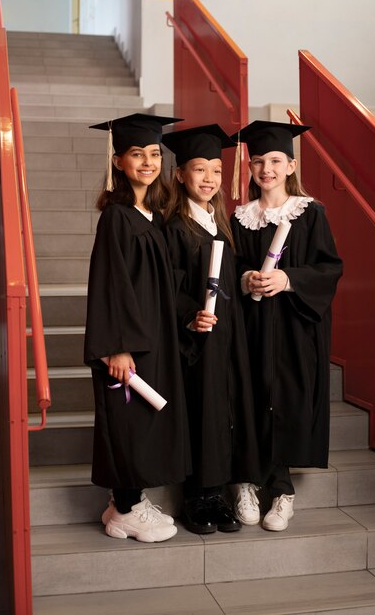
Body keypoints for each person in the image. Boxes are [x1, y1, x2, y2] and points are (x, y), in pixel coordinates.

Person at [229, 121, 343, 531]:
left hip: (294, 326)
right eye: (258, 161)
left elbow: (329, 267)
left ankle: (281, 491)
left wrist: (288, 279)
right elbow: (230, 268)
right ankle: (245, 481)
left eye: (276, 160)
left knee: (286, 397)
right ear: (250, 168)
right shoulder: (240, 218)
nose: (266, 169)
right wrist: (246, 280)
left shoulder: (310, 213)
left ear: (291, 165)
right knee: (250, 395)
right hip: (252, 325)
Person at [84, 113, 191, 543]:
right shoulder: (116, 216)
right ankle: (126, 509)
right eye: (136, 154)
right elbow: (110, 283)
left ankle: (123, 500)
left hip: (154, 336)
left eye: (153, 154)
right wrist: (118, 346)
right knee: (127, 421)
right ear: (118, 161)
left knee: (143, 422)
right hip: (128, 342)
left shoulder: (153, 214)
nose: (147, 162)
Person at [162, 124, 261, 535]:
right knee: (200, 409)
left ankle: (219, 492)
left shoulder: (220, 223)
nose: (208, 179)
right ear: (180, 174)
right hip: (196, 339)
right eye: (199, 169)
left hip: (228, 334)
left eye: (216, 171)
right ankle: (196, 497)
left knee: (225, 409)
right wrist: (189, 315)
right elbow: (168, 284)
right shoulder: (173, 226)